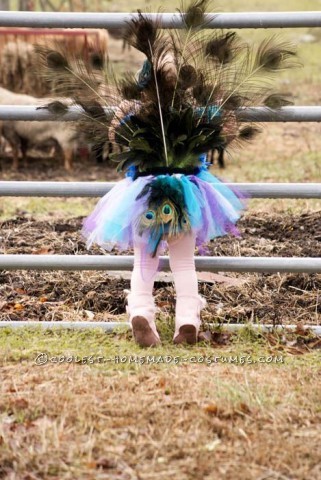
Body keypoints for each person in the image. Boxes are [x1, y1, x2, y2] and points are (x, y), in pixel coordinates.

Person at [39, 1, 296, 347]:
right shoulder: (196, 114)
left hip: (143, 195)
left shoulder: (132, 112)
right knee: (184, 264)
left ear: (143, 85)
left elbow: (115, 136)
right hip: (187, 193)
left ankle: (142, 311)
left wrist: (126, 112)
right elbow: (227, 131)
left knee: (144, 262)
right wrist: (218, 109)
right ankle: (187, 319)